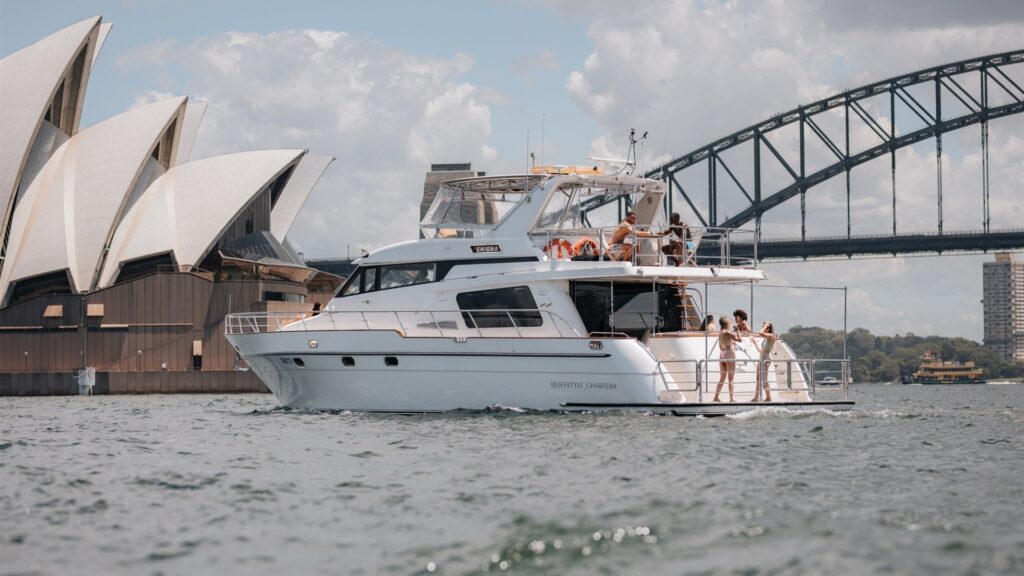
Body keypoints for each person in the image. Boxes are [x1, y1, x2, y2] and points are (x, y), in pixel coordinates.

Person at [712, 316, 742, 403]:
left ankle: (716, 397)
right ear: (726, 324)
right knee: (731, 378)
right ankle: (731, 399)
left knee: (722, 378)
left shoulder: (720, 333)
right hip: (729, 354)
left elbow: (721, 347)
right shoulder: (727, 332)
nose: (730, 323)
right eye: (729, 322)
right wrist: (737, 330)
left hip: (722, 355)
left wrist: (730, 343)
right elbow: (740, 340)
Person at [751, 321, 777, 402]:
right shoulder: (766, 338)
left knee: (765, 379)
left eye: (764, 327)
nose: (763, 328)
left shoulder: (771, 336)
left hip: (765, 360)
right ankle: (756, 398)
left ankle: (768, 398)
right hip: (761, 358)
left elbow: (759, 333)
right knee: (758, 378)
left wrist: (765, 325)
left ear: (768, 328)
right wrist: (755, 343)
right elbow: (761, 351)